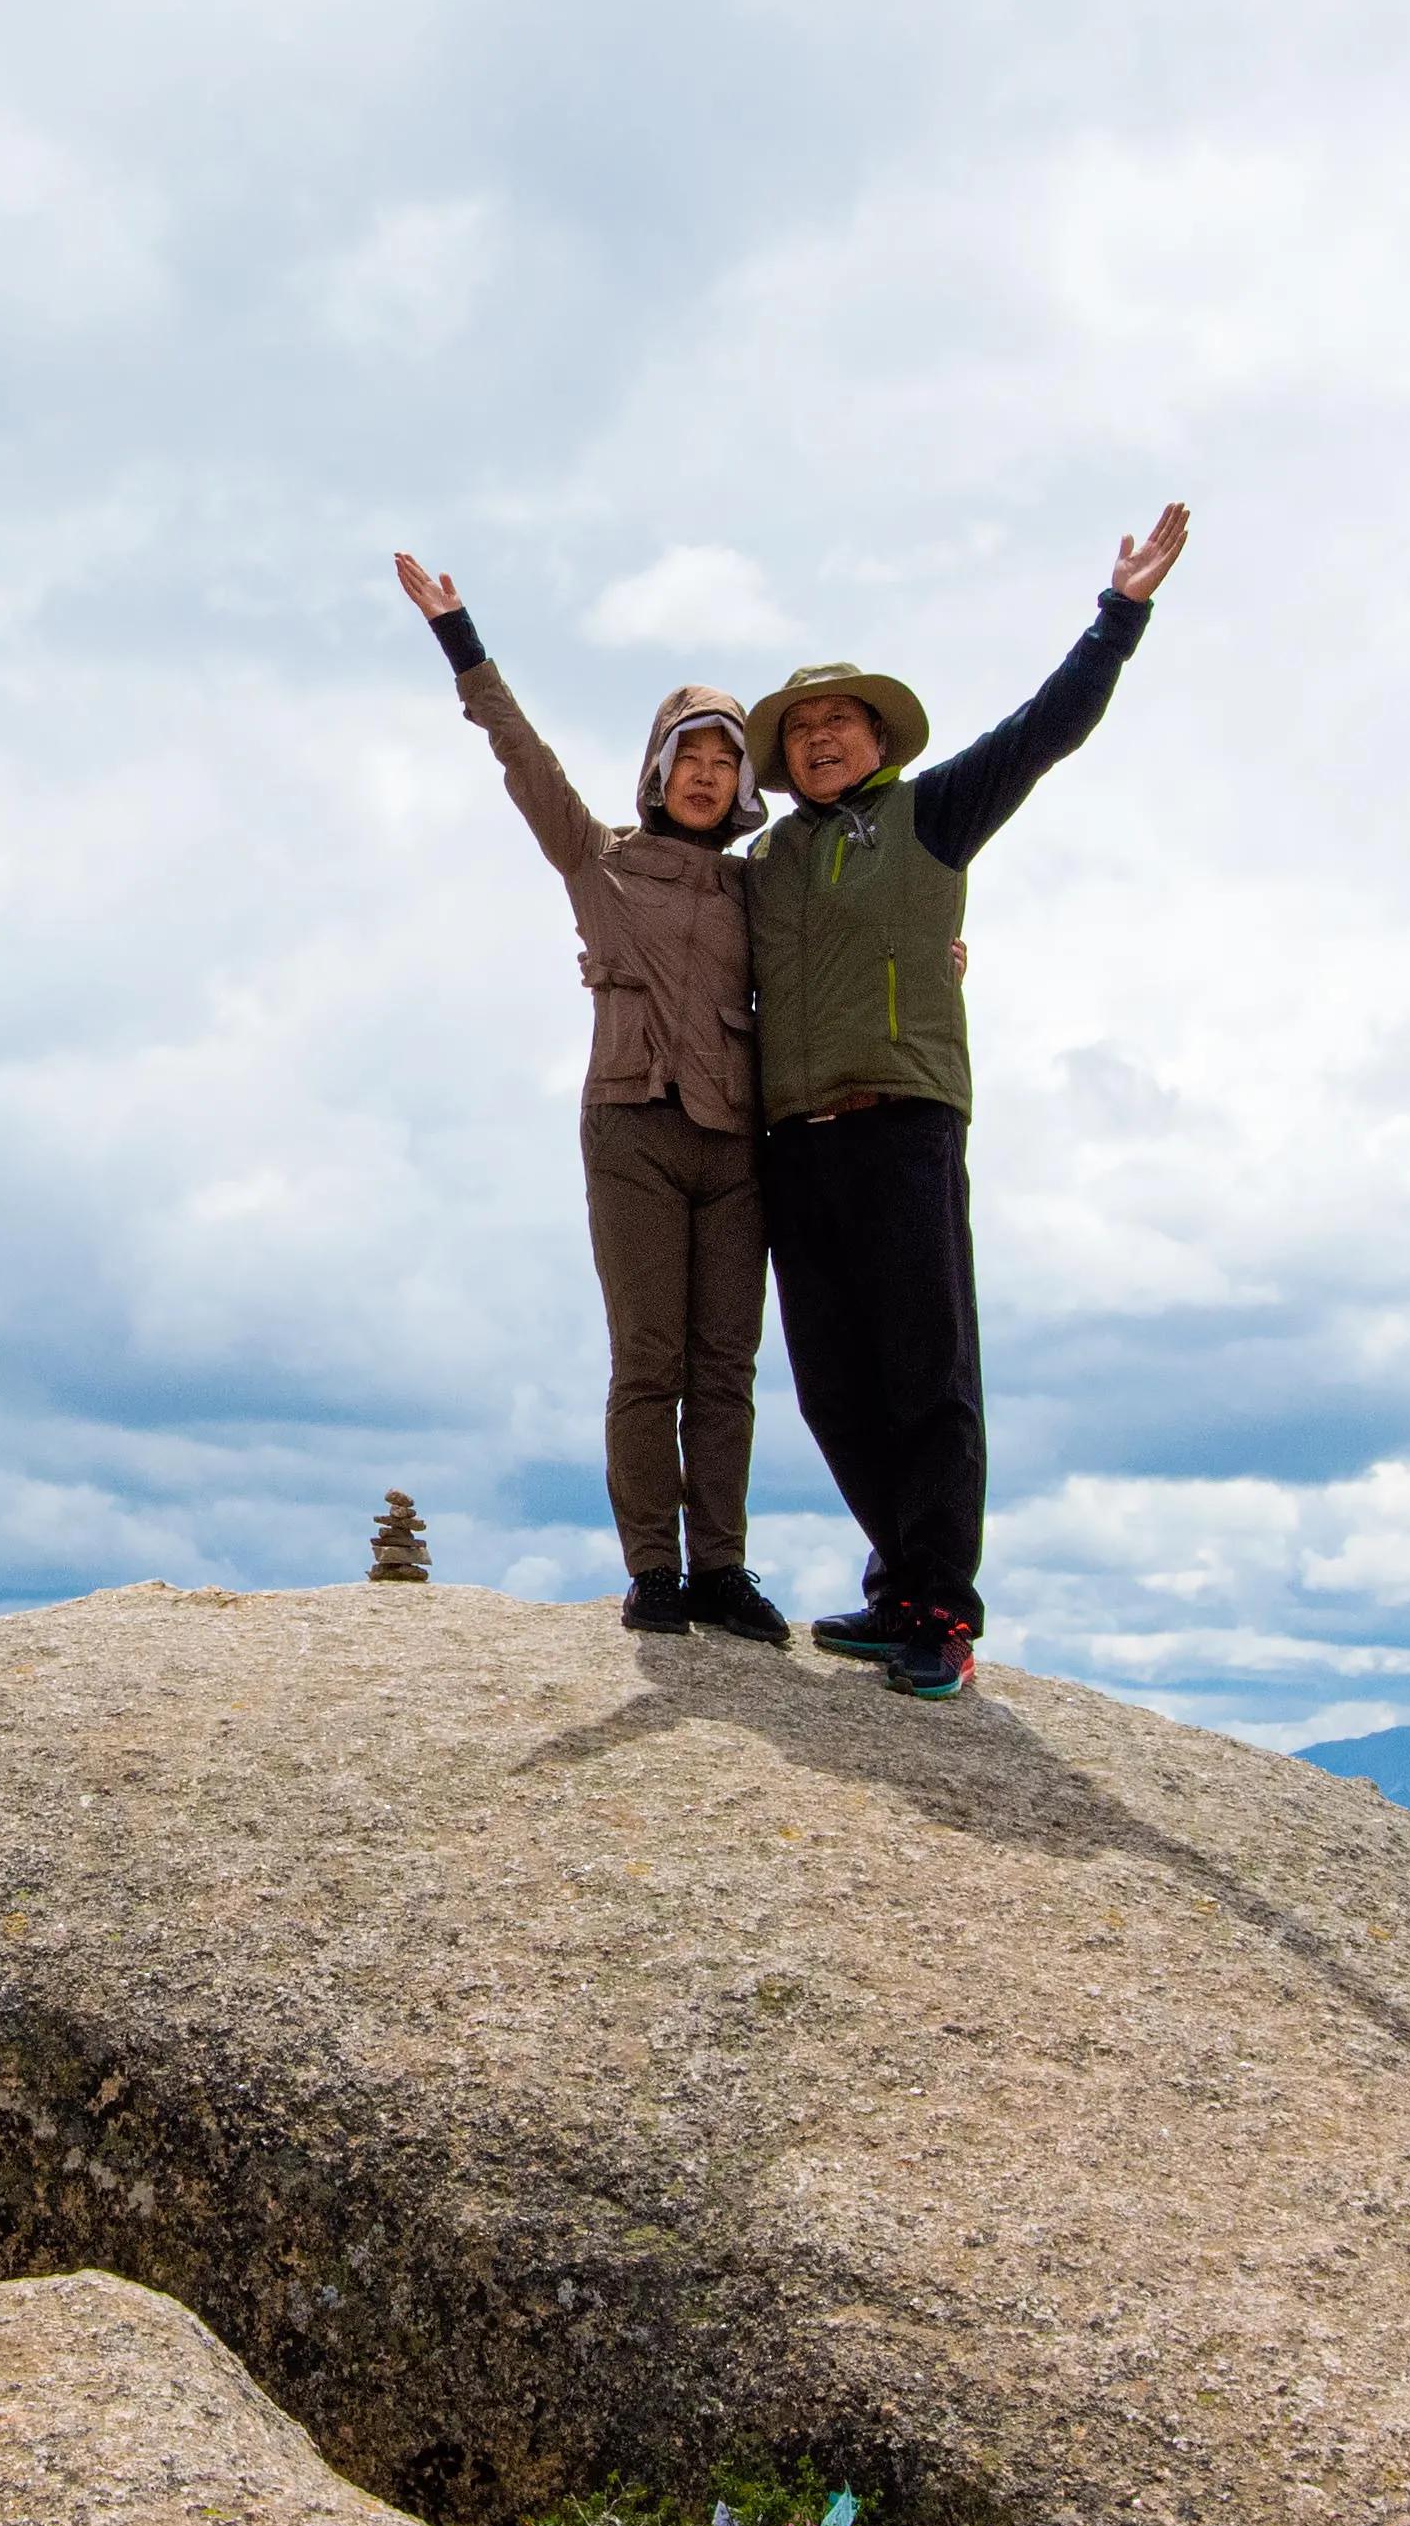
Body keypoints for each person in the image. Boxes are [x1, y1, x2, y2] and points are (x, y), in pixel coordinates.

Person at [744, 501, 1189, 1698]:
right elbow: (672, 922)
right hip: (790, 1141)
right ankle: (896, 1580)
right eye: (801, 731)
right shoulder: (765, 867)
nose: (821, 739)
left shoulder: (930, 813)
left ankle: (942, 1602)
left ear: (876, 735)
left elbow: (1046, 731)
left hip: (902, 1121)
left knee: (927, 1370)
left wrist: (1119, 614)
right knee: (832, 1381)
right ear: (779, 760)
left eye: (839, 721)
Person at [393, 551, 791, 1642]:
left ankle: (721, 1568)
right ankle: (654, 1571)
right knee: (647, 1361)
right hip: (630, 1127)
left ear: (744, 783)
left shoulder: (765, 889)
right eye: (687, 755)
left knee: (725, 1368)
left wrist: (935, 950)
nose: (706, 773)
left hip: (736, 1142)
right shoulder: (599, 858)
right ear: (655, 772)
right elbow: (523, 760)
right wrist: (460, 640)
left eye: (724, 758)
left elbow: (847, 942)